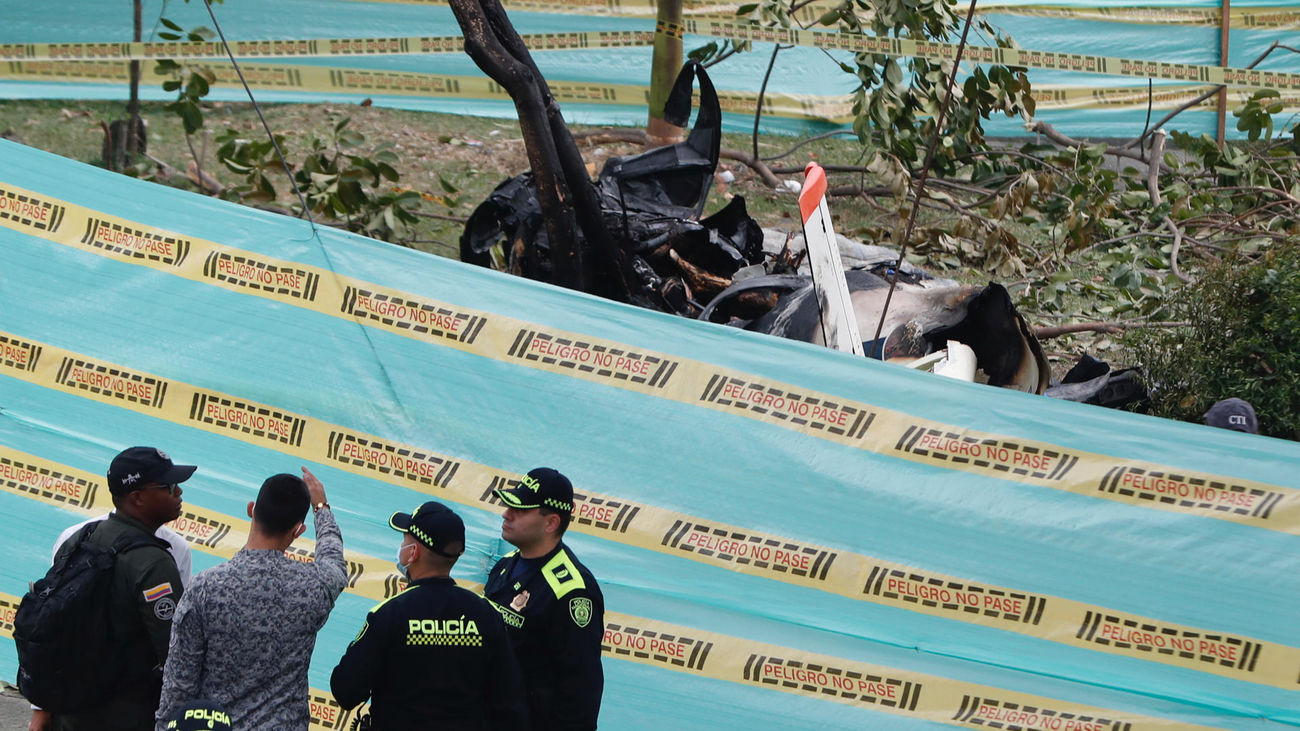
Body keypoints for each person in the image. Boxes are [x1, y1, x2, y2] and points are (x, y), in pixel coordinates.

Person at [155, 468, 346, 731]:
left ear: (251, 509)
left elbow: (178, 684)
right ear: (298, 531)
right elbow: (334, 561)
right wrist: (321, 508)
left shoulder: (205, 587)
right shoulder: (314, 586)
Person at [29, 446, 195, 731]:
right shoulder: (153, 562)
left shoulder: (81, 539)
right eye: (168, 486)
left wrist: (42, 707)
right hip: (126, 714)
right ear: (138, 497)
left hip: (70, 707)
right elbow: (176, 653)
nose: (178, 493)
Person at [331, 501, 529, 730]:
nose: (401, 546)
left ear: (413, 552)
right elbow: (510, 702)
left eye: (405, 540)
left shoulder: (389, 613)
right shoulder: (486, 614)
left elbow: (345, 691)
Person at [484, 468, 604, 731]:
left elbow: (581, 687)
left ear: (551, 523)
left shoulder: (573, 590)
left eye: (521, 509)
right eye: (508, 506)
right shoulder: (504, 566)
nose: (506, 513)